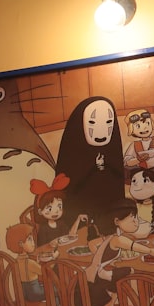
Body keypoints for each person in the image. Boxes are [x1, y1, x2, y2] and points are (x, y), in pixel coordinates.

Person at [85, 203, 154, 306]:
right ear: (117, 221)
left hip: (92, 275)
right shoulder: (119, 240)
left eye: (136, 218)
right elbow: (150, 251)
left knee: (121, 273)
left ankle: (111, 303)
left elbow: (91, 244)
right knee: (130, 271)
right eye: (132, 219)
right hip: (96, 280)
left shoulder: (111, 237)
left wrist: (102, 261)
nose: (136, 222)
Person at [54, 96, 126, 227]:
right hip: (80, 217)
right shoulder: (72, 152)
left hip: (109, 215)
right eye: (92, 123)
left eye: (108, 122)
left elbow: (116, 182)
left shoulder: (112, 151)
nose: (101, 132)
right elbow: (70, 185)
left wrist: (102, 168)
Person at [28, 174, 88, 248]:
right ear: (40, 211)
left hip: (62, 249)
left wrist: (78, 219)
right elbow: (41, 247)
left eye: (59, 206)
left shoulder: (60, 223)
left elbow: (70, 235)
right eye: (50, 208)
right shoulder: (43, 228)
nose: (56, 211)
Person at [5, 223, 45, 302]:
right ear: (21, 244)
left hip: (23, 295)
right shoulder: (29, 262)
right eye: (29, 239)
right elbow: (44, 272)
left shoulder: (15, 262)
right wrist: (53, 258)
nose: (33, 243)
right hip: (34, 294)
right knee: (56, 289)